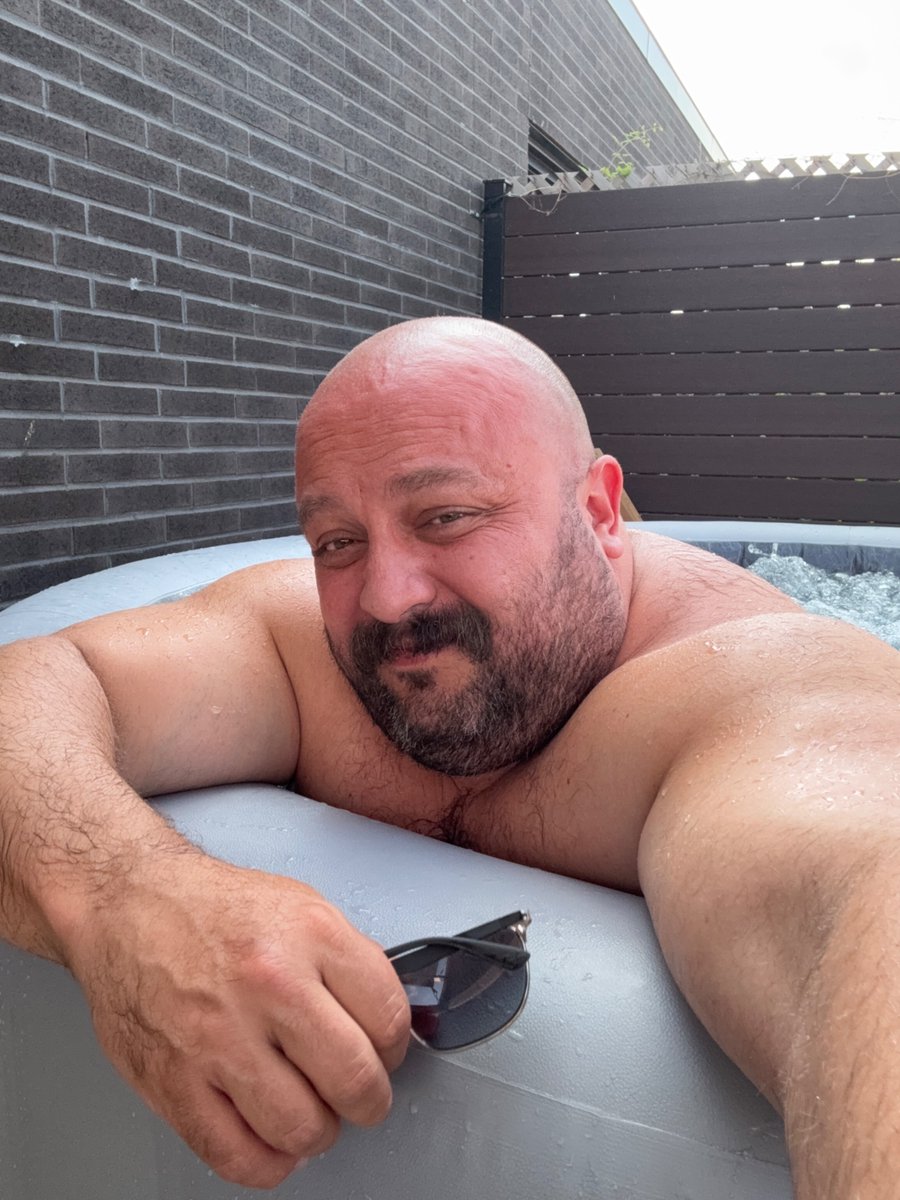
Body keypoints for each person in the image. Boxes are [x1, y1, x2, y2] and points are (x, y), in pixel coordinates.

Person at [0, 316, 898, 1196]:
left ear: (596, 511)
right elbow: (40, 680)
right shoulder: (298, 646)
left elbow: (860, 890)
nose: (387, 598)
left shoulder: (758, 685)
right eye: (337, 542)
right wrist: (119, 897)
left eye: (447, 517)